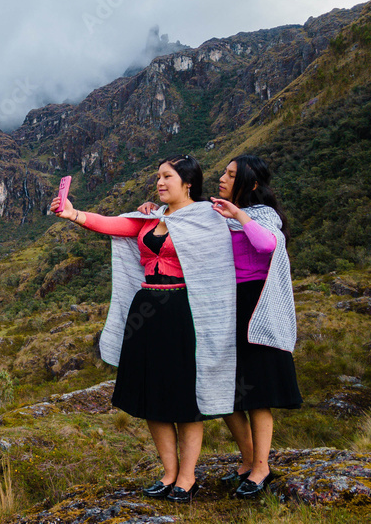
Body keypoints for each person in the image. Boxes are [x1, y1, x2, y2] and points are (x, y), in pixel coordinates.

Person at [52, 155, 236, 503]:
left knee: (186, 397)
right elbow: (111, 225)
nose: (159, 183)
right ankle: (168, 472)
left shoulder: (209, 219)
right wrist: (72, 213)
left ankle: (187, 476)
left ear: (188, 182)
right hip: (148, 311)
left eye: (167, 177)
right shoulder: (150, 219)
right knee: (153, 395)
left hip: (185, 312)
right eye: (158, 177)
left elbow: (229, 255)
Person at [138, 154, 302, 499]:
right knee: (226, 386)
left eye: (230, 175)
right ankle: (246, 462)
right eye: (223, 173)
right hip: (221, 303)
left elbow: (266, 244)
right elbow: (181, 226)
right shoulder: (214, 215)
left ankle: (261, 468)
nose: (222, 179)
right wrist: (154, 211)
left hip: (255, 302)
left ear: (251, 184)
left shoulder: (261, 215)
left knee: (256, 393)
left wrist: (238, 215)